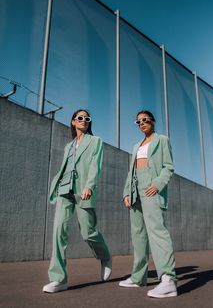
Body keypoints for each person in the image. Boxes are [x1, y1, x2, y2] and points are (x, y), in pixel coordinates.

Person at [43, 109, 112, 293]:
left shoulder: (95, 141)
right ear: (73, 122)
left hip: (83, 190)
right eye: (80, 118)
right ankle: (59, 279)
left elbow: (94, 166)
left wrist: (89, 185)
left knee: (88, 232)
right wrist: (57, 188)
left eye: (87, 118)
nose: (84, 120)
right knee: (58, 231)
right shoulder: (68, 146)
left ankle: (104, 255)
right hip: (64, 189)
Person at [119, 110, 177, 298]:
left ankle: (168, 279)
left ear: (152, 120)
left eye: (144, 120)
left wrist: (157, 184)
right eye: (138, 121)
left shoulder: (161, 140)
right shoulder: (136, 145)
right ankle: (138, 277)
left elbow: (168, 167)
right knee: (138, 235)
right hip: (135, 189)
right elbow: (131, 172)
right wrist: (126, 193)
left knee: (157, 232)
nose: (141, 123)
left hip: (151, 187)